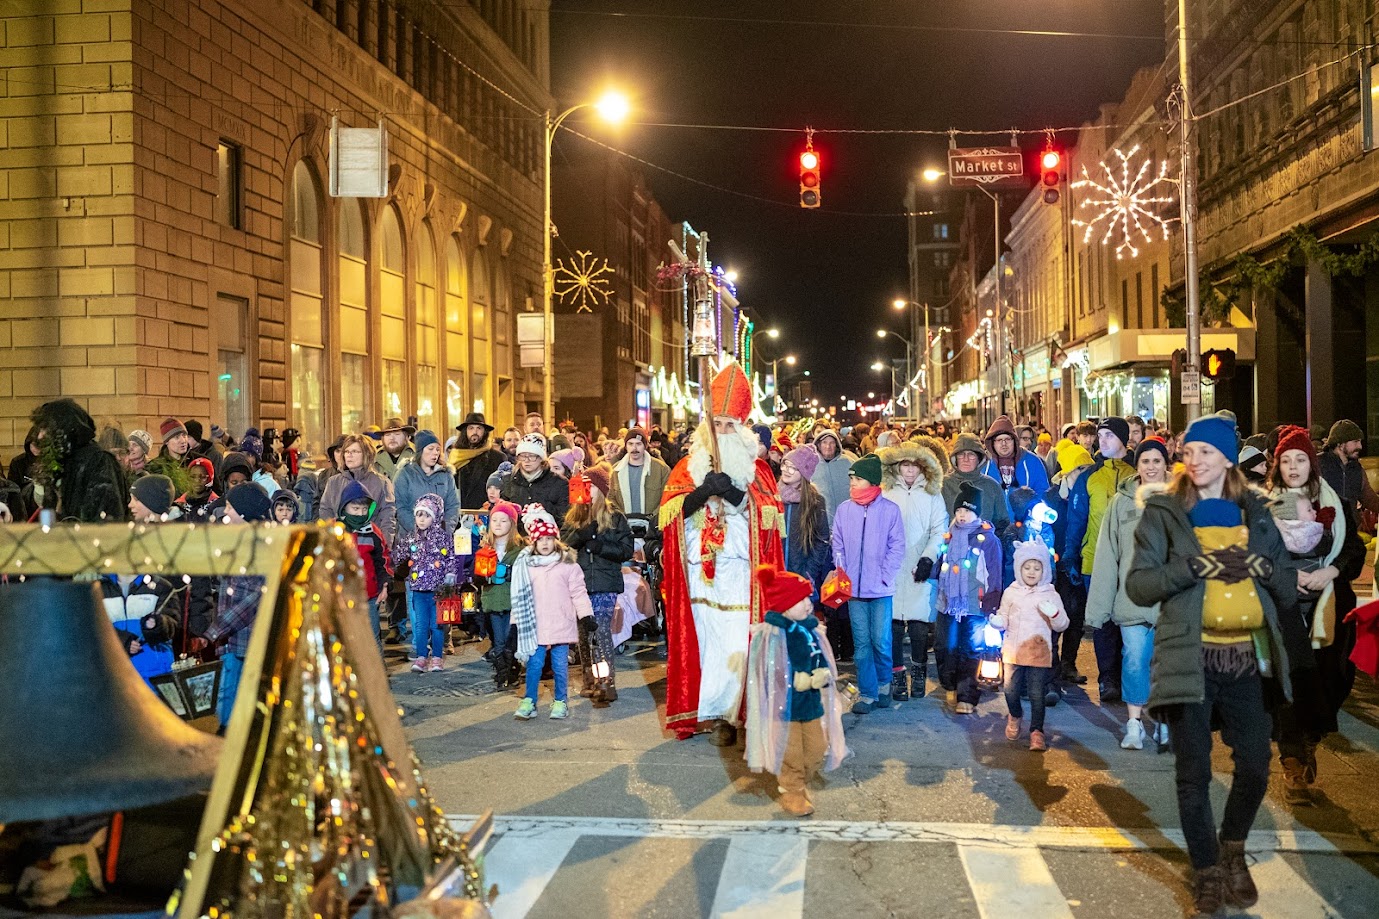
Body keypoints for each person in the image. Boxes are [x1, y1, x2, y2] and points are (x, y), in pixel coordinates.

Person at [1125, 413, 1313, 915]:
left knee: (1254, 764)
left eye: (1205, 451)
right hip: (1190, 656)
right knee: (1194, 775)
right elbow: (1139, 586)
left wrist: (1263, 566)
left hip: (1247, 658)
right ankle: (1206, 870)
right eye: (1188, 451)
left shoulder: (1254, 509)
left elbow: (1287, 589)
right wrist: (1191, 568)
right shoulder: (1165, 511)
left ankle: (1232, 849)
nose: (1194, 460)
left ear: (1227, 457)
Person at [658, 362, 786, 744]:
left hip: (738, 574)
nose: (723, 431)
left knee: (736, 645)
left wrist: (735, 495)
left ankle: (738, 714)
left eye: (730, 425)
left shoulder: (757, 470)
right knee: (709, 644)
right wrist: (698, 495)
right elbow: (668, 518)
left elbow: (770, 521)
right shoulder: (686, 467)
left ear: (742, 429)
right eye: (717, 424)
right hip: (700, 573)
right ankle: (712, 713)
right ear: (706, 428)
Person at [1263, 424, 1364, 806]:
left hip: (1329, 603)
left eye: (1300, 459)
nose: (1293, 466)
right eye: (1286, 460)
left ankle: (1309, 739)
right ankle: (1291, 761)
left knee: (1334, 676)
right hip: (1282, 604)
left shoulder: (1332, 501)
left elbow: (1352, 548)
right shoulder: (1266, 503)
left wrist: (1330, 571)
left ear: (1311, 463)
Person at [1087, 436, 1171, 750]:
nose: (1151, 466)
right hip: (1132, 598)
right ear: (1138, 465)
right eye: (1145, 461)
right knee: (1135, 659)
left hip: (1169, 600)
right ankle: (1134, 723)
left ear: (1165, 464)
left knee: (1164, 664)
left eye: (1157, 461)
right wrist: (1097, 610)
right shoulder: (1121, 502)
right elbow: (1107, 557)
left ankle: (1163, 722)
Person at [746, 565, 847, 818]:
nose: (808, 604)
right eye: (801, 599)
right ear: (784, 604)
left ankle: (800, 780)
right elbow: (766, 669)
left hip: (811, 704)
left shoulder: (811, 630)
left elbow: (820, 658)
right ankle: (792, 790)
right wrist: (792, 680)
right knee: (790, 752)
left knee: (815, 750)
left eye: (808, 598)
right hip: (784, 708)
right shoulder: (771, 635)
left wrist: (822, 674)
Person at [1065, 417, 1136, 704]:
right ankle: (1107, 679)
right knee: (1103, 623)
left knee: (1129, 623)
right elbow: (1076, 519)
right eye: (1100, 435)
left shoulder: (1137, 473)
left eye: (1108, 436)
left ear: (1123, 439)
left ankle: (1128, 679)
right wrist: (1070, 555)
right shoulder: (1089, 477)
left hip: (1131, 562)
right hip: (1094, 561)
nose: (1101, 441)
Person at [830, 453, 907, 714]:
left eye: (858, 479)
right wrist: (842, 570)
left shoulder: (890, 511)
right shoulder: (844, 509)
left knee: (881, 642)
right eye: (851, 478)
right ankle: (867, 693)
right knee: (861, 644)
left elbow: (897, 547)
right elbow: (837, 542)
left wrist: (885, 575)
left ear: (872, 482)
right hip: (853, 591)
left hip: (881, 590)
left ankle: (885, 684)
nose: (852, 483)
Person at [197, 481, 273, 732]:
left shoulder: (261, 547)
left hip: (247, 640)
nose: (225, 512)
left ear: (244, 512)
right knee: (227, 699)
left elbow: (253, 599)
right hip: (232, 641)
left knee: (240, 703)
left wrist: (215, 630)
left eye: (230, 507)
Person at [511, 504, 596, 720]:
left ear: (556, 539)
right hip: (536, 626)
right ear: (534, 541)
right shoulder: (526, 566)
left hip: (561, 623)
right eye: (540, 539)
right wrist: (515, 623)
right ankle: (529, 699)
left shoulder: (567, 564)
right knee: (535, 665)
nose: (545, 543)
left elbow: (578, 592)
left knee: (560, 667)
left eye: (549, 538)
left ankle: (560, 701)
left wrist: (586, 615)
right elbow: (521, 596)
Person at [878, 439, 948, 702]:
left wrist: (929, 558)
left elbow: (939, 529)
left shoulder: (932, 494)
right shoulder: (886, 492)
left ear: (923, 468)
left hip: (919, 567)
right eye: (905, 464)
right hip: (893, 568)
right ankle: (897, 675)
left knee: (919, 628)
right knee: (894, 626)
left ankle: (918, 671)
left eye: (914, 465)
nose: (909, 471)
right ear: (897, 466)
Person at [563, 465, 634, 705]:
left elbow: (625, 549)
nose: (587, 490)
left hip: (605, 582)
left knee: (600, 628)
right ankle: (588, 679)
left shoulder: (615, 518)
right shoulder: (573, 517)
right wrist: (580, 537)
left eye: (591, 486)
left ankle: (606, 681)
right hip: (579, 584)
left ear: (601, 490)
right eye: (583, 486)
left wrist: (601, 546)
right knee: (583, 633)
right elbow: (561, 548)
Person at [992, 539, 1068, 751]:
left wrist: (1053, 613)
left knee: (1037, 694)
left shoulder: (1050, 594)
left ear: (1044, 569)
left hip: (1038, 652)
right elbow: (1003, 615)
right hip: (1014, 652)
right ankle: (1015, 715)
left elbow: (1062, 624)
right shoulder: (1011, 592)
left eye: (1037, 567)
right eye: (1027, 567)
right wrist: (998, 622)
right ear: (1019, 568)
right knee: (1010, 691)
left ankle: (1037, 731)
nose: (1032, 572)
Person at [934, 481, 1003, 714]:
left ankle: (967, 695)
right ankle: (950, 684)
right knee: (946, 645)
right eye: (959, 511)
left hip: (975, 603)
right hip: (948, 602)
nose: (962, 516)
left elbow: (994, 572)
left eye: (967, 511)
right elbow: (941, 562)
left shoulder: (988, 539)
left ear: (977, 513)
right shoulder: (949, 535)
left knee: (970, 648)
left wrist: (993, 600)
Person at [27, 399, 129, 523]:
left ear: (63, 428)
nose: (40, 436)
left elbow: (106, 517)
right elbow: (48, 518)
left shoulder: (98, 461)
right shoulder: (59, 464)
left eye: (45, 429)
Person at [392, 493, 457, 673]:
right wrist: (394, 557)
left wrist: (450, 578)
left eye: (427, 515)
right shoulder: (412, 538)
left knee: (437, 624)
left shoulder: (443, 538)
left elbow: (450, 558)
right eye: (419, 514)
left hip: (438, 589)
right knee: (420, 624)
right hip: (418, 588)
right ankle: (421, 656)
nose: (422, 519)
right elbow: (399, 555)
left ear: (435, 517)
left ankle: (436, 657)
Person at [319, 434, 398, 543]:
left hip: (371, 545)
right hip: (340, 543)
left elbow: (387, 517)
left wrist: (384, 546)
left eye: (355, 451)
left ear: (367, 455)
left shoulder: (382, 483)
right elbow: (325, 511)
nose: (349, 455)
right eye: (346, 451)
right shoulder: (333, 482)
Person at [479, 501, 525, 687]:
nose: (498, 524)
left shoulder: (520, 549)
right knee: (498, 640)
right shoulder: (485, 548)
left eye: (503, 520)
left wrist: (508, 573)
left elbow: (526, 574)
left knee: (510, 640)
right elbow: (476, 576)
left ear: (512, 524)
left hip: (513, 601)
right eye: (494, 520)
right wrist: (486, 578)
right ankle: (501, 674)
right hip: (493, 600)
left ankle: (511, 672)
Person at [395, 429, 460, 535]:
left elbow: (453, 506)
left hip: (439, 539)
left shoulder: (446, 475)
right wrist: (419, 530)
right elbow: (400, 507)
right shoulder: (405, 474)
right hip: (410, 538)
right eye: (430, 449)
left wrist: (444, 531)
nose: (435, 453)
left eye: (438, 449)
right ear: (420, 451)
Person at [941, 433, 1009, 532]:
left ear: (979, 459)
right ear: (955, 458)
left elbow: (1002, 523)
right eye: (961, 454)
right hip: (949, 544)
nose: (966, 459)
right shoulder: (943, 485)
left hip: (985, 545)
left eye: (971, 455)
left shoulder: (992, 486)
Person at [500, 434, 570, 526]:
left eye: (532, 456)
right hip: (516, 538)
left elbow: (564, 518)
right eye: (523, 456)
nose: (526, 460)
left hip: (547, 537)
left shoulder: (560, 484)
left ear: (541, 458)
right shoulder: (509, 481)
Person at [1318, 419, 1379, 516]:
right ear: (1340, 444)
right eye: (1355, 441)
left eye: (1360, 441)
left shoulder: (1357, 469)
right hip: (1323, 529)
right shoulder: (1318, 465)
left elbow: (1370, 499)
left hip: (1349, 529)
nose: (1360, 446)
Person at [979, 415, 1049, 497]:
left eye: (1008, 439)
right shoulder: (983, 464)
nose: (1004, 444)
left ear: (1015, 441)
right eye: (999, 440)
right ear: (992, 443)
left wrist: (1030, 501)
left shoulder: (1032, 461)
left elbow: (1043, 493)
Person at [610, 427, 670, 519]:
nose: (634, 448)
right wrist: (622, 519)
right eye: (630, 444)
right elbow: (610, 498)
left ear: (645, 445)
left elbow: (667, 498)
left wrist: (652, 518)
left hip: (653, 526)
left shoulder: (662, 469)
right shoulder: (615, 471)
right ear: (625, 446)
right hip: (624, 527)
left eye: (638, 444)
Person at [451, 413, 507, 511]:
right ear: (465, 431)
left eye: (479, 428)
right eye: (471, 428)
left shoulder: (497, 458)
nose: (475, 432)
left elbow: (504, 490)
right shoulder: (456, 456)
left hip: (486, 513)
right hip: (460, 514)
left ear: (484, 432)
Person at [811, 428, 855, 523]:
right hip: (820, 520)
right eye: (824, 443)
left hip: (847, 518)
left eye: (832, 443)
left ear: (837, 445)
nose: (828, 446)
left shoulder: (848, 462)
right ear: (818, 445)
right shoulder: (810, 465)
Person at [372, 417, 416, 482]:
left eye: (397, 434)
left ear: (406, 436)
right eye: (388, 435)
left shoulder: (417, 454)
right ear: (382, 439)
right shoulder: (374, 457)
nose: (392, 438)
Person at [176, 457, 219, 522]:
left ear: (209, 479)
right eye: (192, 477)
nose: (197, 481)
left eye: (202, 477)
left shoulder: (216, 505)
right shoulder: (179, 504)